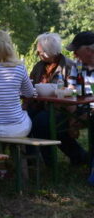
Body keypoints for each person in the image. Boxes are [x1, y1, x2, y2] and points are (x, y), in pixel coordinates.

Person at [28, 33, 87, 166]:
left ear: (50, 52)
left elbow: (75, 93)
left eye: (40, 52)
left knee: (40, 123)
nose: (38, 55)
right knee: (25, 118)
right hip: (40, 105)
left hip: (62, 109)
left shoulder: (69, 66)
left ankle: (50, 162)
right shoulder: (39, 66)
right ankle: (31, 158)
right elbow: (30, 84)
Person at [65, 31, 94, 183]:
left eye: (76, 51)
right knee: (46, 121)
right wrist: (72, 118)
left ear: (89, 50)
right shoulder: (78, 65)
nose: (74, 55)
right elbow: (71, 90)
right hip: (81, 108)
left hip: (91, 110)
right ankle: (80, 157)